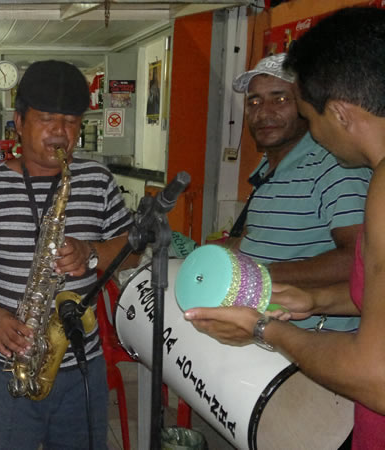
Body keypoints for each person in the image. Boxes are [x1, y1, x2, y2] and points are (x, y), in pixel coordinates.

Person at [185, 7, 385, 449]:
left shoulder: (363, 178)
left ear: (339, 112)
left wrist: (263, 325)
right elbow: (371, 285)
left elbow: (376, 376)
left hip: (332, 375)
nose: (316, 135)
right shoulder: (270, 172)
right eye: (254, 101)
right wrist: (315, 298)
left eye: (307, 113)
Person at [0, 60, 135, 450]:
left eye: (71, 122)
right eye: (47, 119)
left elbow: (131, 250)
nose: (61, 132)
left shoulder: (98, 181)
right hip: (5, 365)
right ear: (19, 121)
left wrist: (92, 252)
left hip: (81, 365)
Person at [227, 52, 371, 331]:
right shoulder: (267, 166)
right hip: (264, 328)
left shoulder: (334, 164)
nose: (263, 112)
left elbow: (359, 258)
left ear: (306, 106)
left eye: (280, 99)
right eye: (254, 102)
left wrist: (259, 276)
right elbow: (260, 240)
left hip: (315, 339)